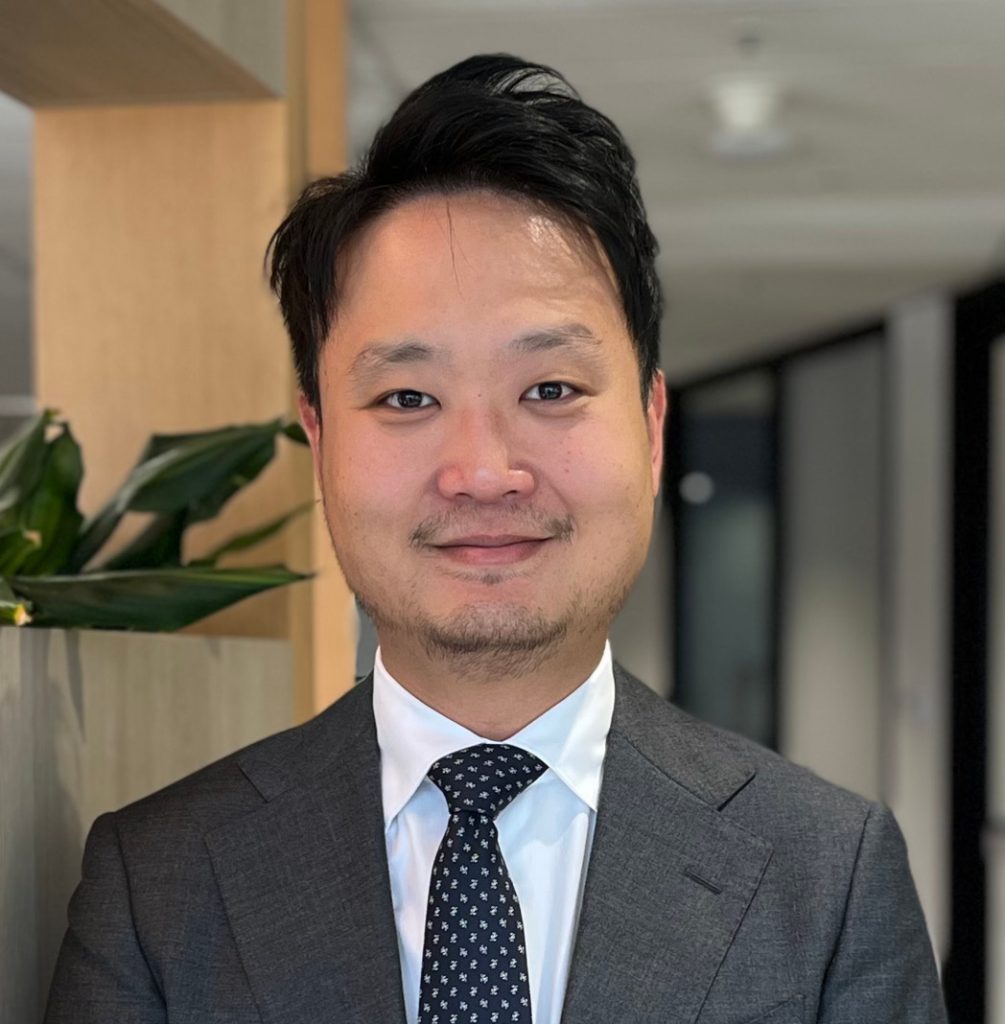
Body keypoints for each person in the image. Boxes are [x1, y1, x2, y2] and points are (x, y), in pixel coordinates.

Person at [45, 54, 947, 1024]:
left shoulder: (827, 875)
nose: (482, 471)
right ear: (321, 437)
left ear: (650, 429)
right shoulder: (160, 883)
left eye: (549, 389)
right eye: (407, 397)